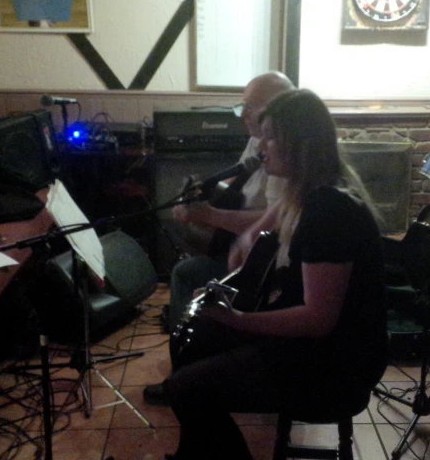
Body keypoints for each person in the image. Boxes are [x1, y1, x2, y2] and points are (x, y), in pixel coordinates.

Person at [162, 89, 389, 460]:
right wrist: (233, 273)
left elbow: (318, 321)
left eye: (269, 136)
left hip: (334, 368)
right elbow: (256, 234)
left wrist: (237, 318)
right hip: (317, 350)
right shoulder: (306, 189)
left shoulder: (328, 210)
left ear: (297, 142)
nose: (260, 145)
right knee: (194, 342)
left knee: (186, 387)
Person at [144, 71, 294, 406]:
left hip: (269, 267)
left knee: (187, 273)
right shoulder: (258, 140)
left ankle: (189, 370)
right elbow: (245, 189)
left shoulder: (286, 153)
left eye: (250, 107)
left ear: (278, 111)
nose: (242, 115)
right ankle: (195, 362)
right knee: (194, 265)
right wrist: (207, 192)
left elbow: (282, 217)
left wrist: (208, 215)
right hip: (245, 248)